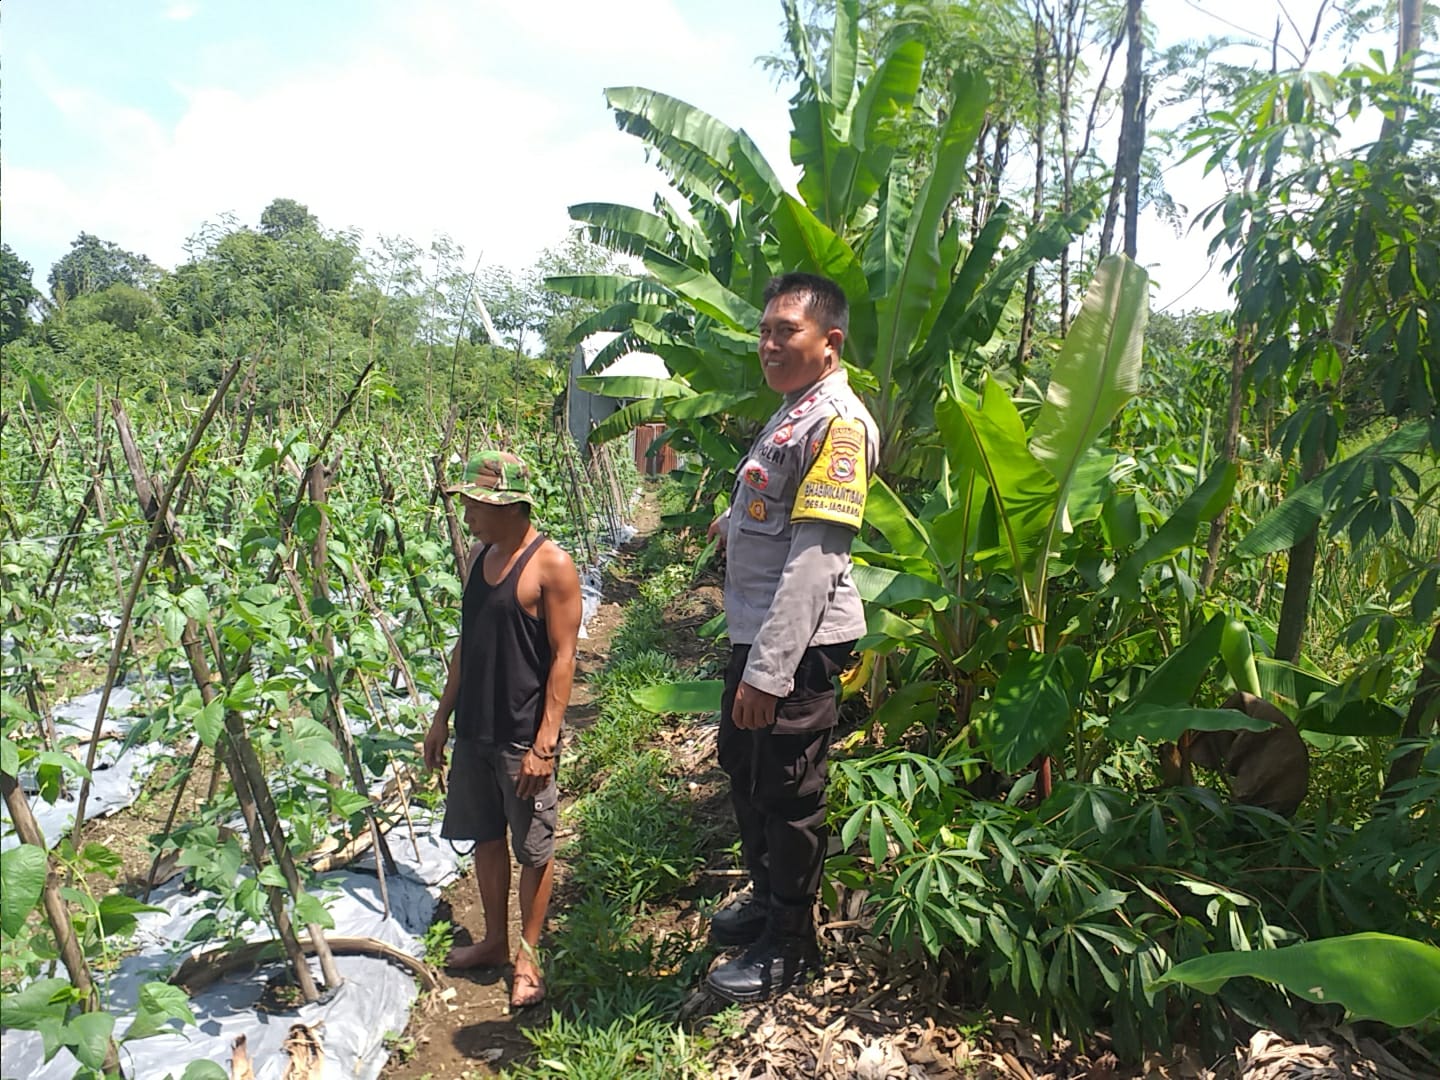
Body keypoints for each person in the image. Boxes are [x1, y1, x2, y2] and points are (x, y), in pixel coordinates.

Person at [704, 272, 879, 1003]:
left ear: (829, 343)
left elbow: (815, 561)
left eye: (787, 331)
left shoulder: (838, 424)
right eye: (766, 330)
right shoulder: (793, 412)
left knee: (788, 790)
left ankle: (791, 942)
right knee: (745, 768)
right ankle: (766, 894)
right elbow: (776, 508)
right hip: (759, 629)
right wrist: (733, 523)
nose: (769, 343)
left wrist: (769, 674)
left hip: (796, 646)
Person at [424, 450, 582, 1009]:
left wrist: (545, 744)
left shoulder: (551, 567)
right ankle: (493, 939)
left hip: (522, 737)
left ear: (512, 506)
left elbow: (564, 659)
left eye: (476, 505)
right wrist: (443, 717)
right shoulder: (478, 556)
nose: (467, 514)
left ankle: (528, 955)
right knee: (487, 837)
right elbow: (466, 642)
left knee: (534, 849)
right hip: (476, 731)